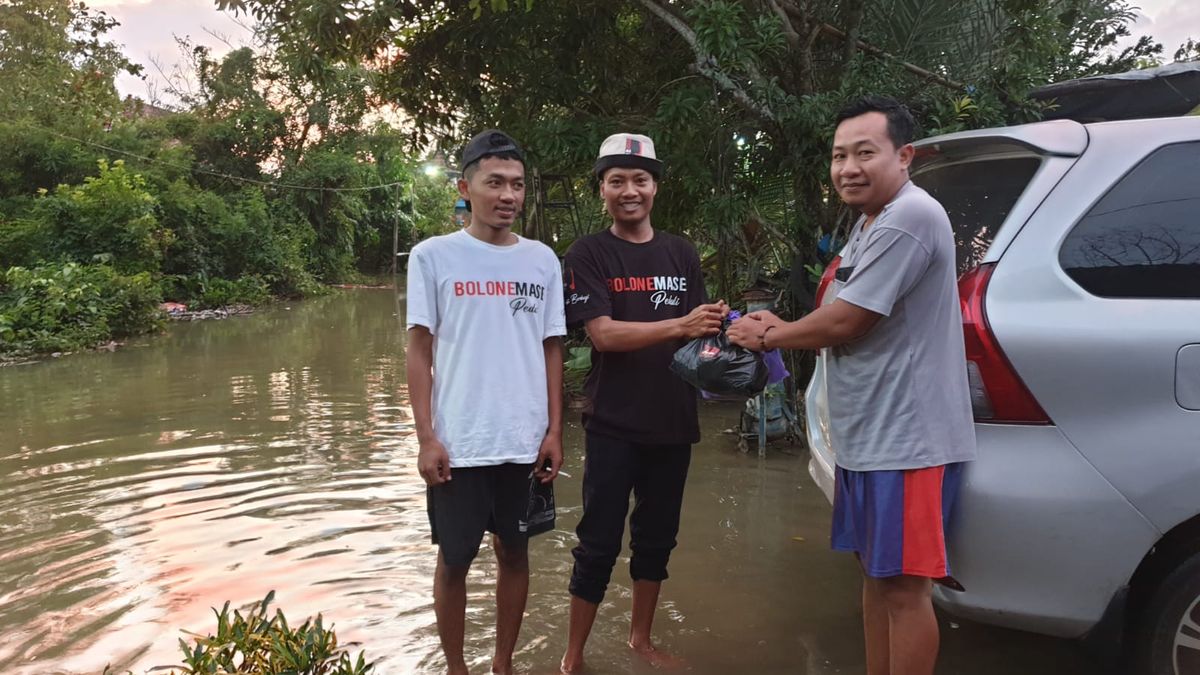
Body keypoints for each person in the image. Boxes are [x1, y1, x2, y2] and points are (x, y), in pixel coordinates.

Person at [727, 96, 977, 675]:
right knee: (875, 580)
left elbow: (849, 320)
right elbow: (835, 313)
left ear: (904, 155)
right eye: (840, 155)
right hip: (869, 436)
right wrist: (780, 327)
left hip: (910, 441)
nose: (848, 167)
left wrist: (773, 335)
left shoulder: (911, 216)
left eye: (865, 153)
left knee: (904, 592)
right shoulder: (869, 224)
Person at [559, 132, 728, 673]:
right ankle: (573, 655)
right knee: (597, 541)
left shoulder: (681, 253)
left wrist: (730, 336)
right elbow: (603, 335)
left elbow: (698, 339)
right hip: (612, 421)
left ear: (655, 187)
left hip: (673, 422)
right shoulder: (588, 253)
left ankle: (640, 641)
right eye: (616, 181)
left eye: (639, 179)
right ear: (602, 191)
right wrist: (680, 323)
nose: (629, 190)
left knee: (657, 539)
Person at [406, 129, 566, 675]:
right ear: (465, 186)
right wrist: (427, 437)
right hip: (459, 442)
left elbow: (551, 349)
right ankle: (456, 669)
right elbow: (418, 351)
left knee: (515, 554)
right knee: (453, 561)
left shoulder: (542, 260)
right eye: (494, 182)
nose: (508, 196)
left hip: (523, 441)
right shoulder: (433, 256)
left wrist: (554, 432)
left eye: (517, 185)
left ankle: (502, 665)